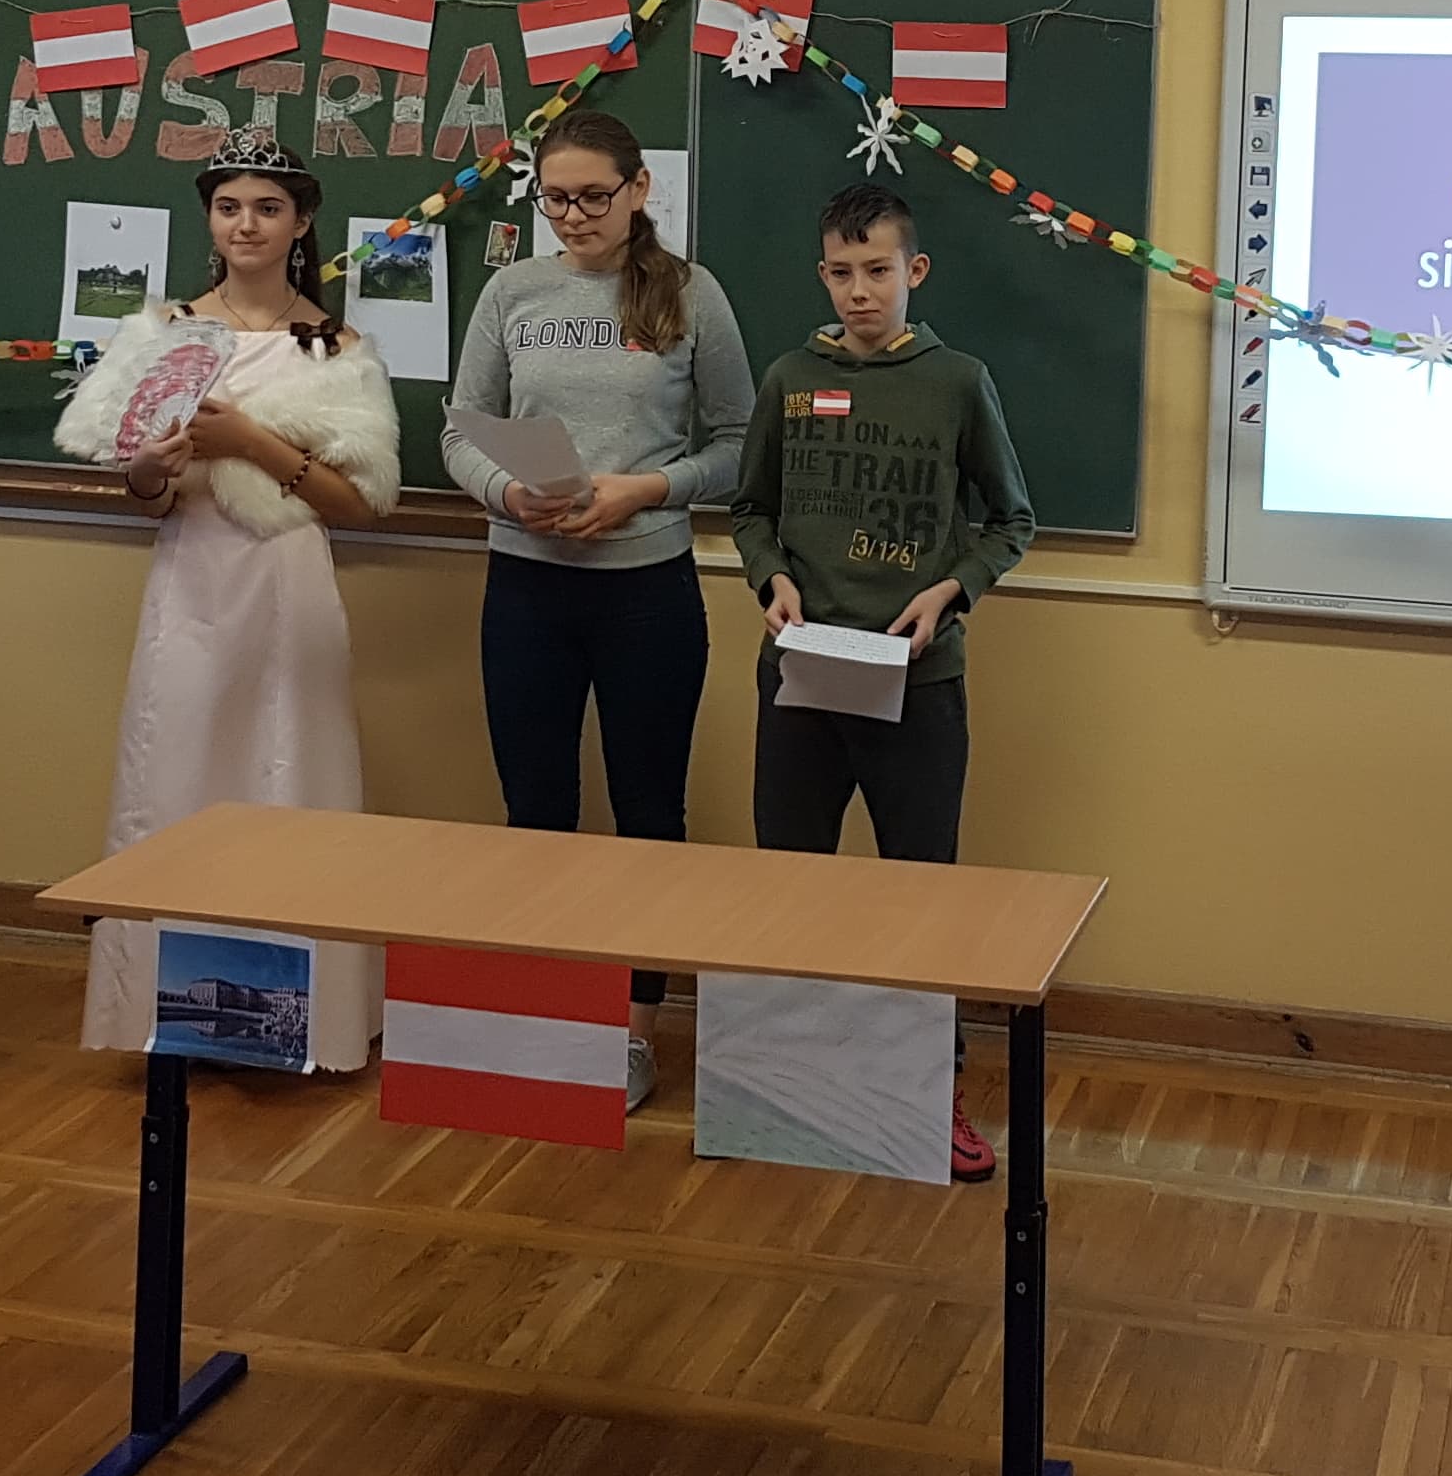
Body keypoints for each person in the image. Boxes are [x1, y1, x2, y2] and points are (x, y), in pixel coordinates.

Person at [443, 107, 756, 1106]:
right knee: (535, 811)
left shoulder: (691, 294)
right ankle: (546, 1019)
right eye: (555, 200)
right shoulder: (513, 291)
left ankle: (631, 1032)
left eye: (592, 197)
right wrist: (506, 493)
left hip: (646, 591)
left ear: (639, 190)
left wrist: (647, 490)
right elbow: (460, 430)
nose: (573, 216)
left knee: (648, 814)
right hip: (525, 587)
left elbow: (741, 444)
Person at [730, 183, 1036, 1180]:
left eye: (878, 272)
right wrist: (770, 580)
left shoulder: (956, 382)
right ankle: (790, 1089)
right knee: (791, 888)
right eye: (841, 273)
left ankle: (927, 1094)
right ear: (822, 276)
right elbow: (751, 511)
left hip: (918, 682)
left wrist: (952, 589)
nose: (860, 291)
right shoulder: (789, 378)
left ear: (916, 272)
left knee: (919, 897)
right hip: (803, 679)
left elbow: (1012, 521)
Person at [56, 123, 401, 848]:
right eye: (229, 207)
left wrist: (252, 445)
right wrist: (149, 472)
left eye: (268, 208)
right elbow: (148, 498)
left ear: (301, 222)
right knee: (177, 755)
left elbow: (361, 507)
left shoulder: (335, 347)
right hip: (192, 581)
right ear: (210, 217)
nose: (247, 224)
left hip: (287, 583)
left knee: (288, 759)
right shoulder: (165, 333)